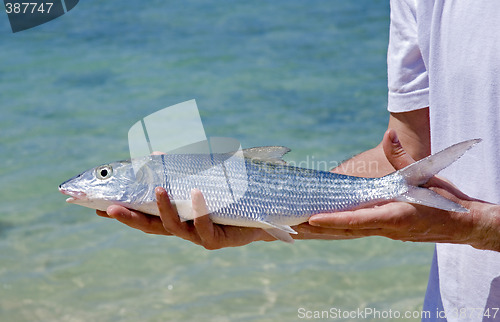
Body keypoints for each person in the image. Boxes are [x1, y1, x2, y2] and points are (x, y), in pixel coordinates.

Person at [97, 0, 500, 320]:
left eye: (103, 175)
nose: (97, 179)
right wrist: (259, 221)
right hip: (455, 306)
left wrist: (477, 227)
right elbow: (408, 152)